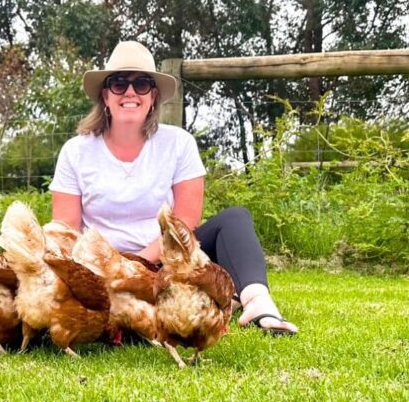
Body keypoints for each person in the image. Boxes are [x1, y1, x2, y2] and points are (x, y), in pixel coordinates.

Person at [49, 40, 298, 335]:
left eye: (141, 84)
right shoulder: (76, 151)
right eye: (119, 84)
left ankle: (257, 301)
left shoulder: (178, 143)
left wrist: (140, 264)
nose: (130, 92)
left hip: (168, 259)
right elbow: (66, 230)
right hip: (102, 267)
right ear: (105, 95)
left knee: (234, 219)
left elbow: (185, 221)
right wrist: (108, 271)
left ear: (153, 97)